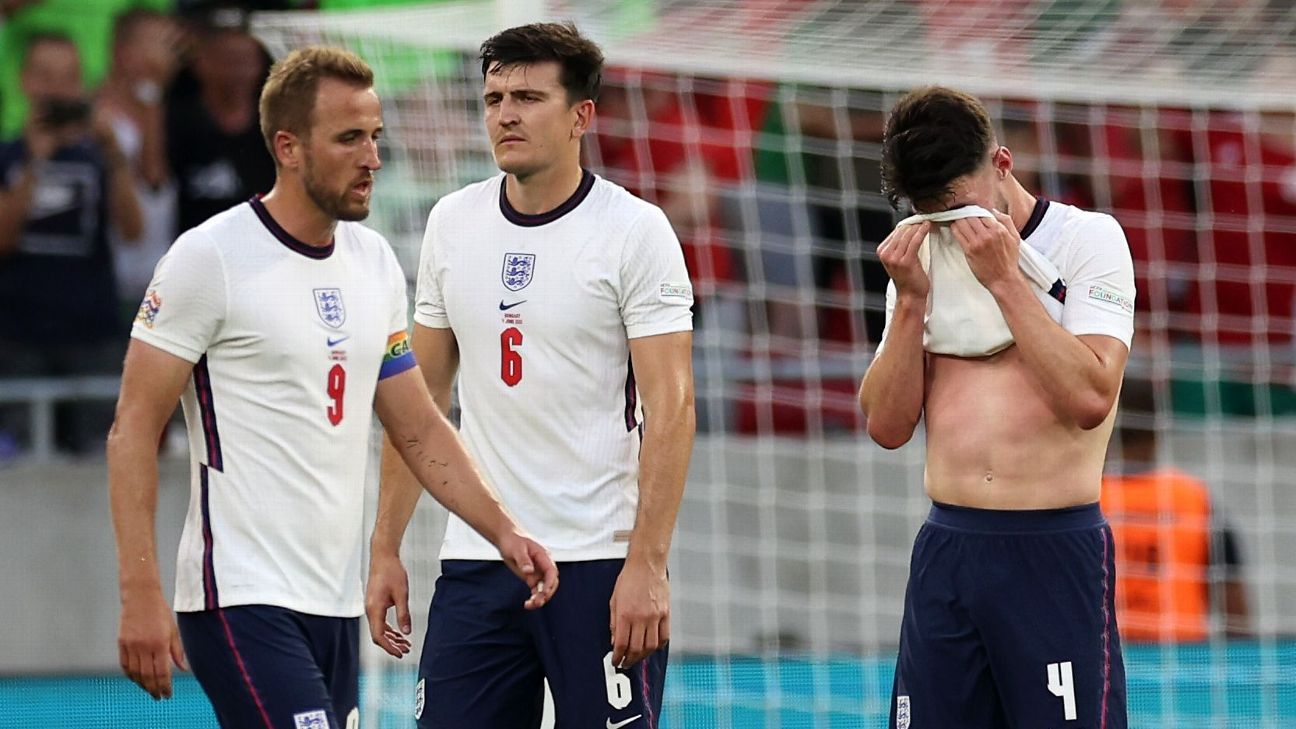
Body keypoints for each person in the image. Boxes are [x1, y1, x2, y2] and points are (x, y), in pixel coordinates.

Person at [107, 46, 558, 728]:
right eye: (349, 138)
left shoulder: (373, 261)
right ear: (288, 147)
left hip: (334, 604)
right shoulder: (210, 258)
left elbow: (417, 425)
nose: (372, 157)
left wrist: (505, 530)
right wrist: (140, 590)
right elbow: (133, 427)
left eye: (376, 136)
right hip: (240, 595)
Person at [364, 23, 695, 729]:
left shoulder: (635, 231)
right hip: (480, 562)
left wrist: (649, 564)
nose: (505, 114)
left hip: (599, 563)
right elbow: (417, 405)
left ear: (582, 116)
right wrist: (386, 544)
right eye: (494, 97)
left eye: (528, 96)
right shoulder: (453, 223)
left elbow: (672, 408)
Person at [859, 86, 1135, 728]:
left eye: (959, 206)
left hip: (1051, 548)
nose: (950, 226)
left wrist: (1007, 279)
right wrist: (908, 302)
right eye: (930, 211)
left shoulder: (1090, 241)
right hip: (949, 548)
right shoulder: (923, 248)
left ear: (1002, 165)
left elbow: (1092, 395)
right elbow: (887, 425)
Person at [0, 33, 142, 455]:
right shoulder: (8, 155)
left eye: (68, 78)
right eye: (45, 76)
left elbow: (132, 229)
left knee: (99, 457)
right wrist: (35, 159)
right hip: (17, 331)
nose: (56, 89)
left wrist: (113, 152)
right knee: (21, 461)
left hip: (89, 328)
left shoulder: (100, 155)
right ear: (25, 81)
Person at [1101, 377, 1250, 642]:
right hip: (1182, 663)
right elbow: (1234, 604)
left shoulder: (1084, 501)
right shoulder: (1194, 498)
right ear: (1159, 426)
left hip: (1106, 662)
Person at [167, 8, 274, 236]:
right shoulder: (176, 120)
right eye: (228, 60)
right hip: (190, 258)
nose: (238, 72)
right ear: (201, 62)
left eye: (246, 60)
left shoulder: (278, 125)